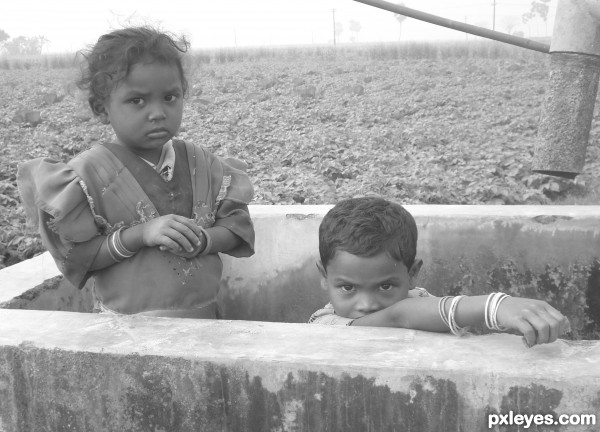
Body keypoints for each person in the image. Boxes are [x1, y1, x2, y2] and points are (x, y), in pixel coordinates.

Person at [17, 27, 254, 318]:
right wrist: (140, 235)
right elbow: (80, 258)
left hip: (206, 328)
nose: (157, 112)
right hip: (127, 340)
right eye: (137, 101)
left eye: (170, 97)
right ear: (101, 108)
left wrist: (204, 240)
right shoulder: (84, 176)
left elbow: (237, 228)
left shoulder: (203, 163)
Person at [309, 197, 570, 347]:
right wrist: (495, 307)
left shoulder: (419, 297)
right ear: (324, 276)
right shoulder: (324, 324)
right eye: (347, 288)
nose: (366, 304)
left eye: (385, 286)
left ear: (412, 274)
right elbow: (401, 316)